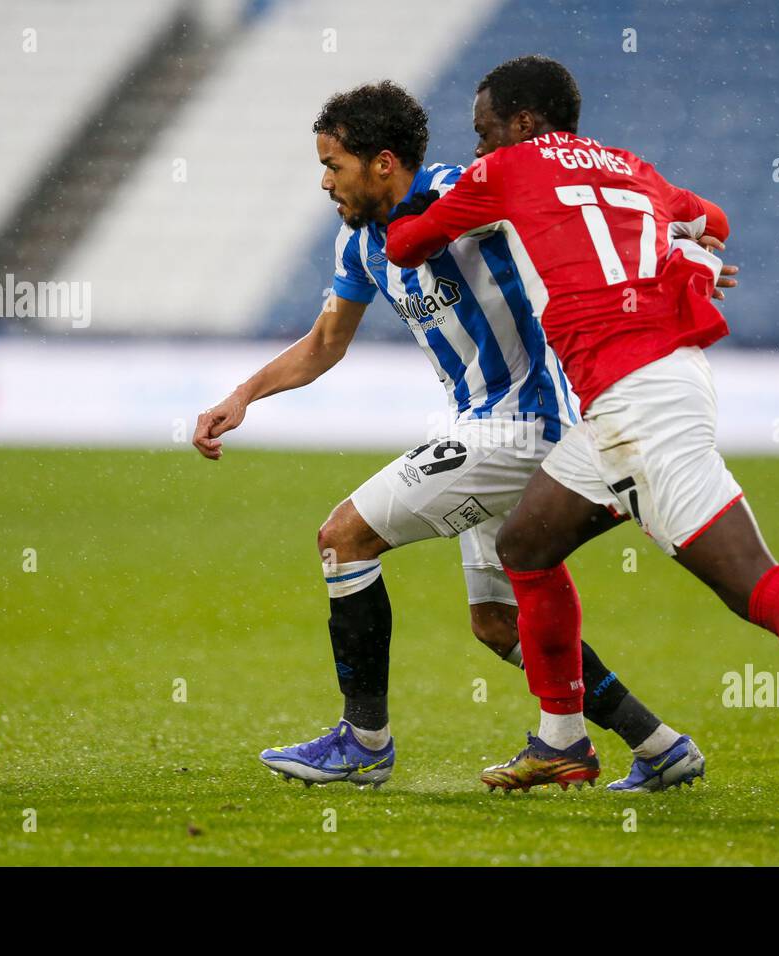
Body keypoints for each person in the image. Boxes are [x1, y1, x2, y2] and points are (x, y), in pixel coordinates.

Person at [386, 56, 779, 794]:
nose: (477, 150)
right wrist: (686, 250)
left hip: (636, 403)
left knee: (750, 583)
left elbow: (404, 244)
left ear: (521, 123)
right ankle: (562, 744)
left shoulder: (506, 170)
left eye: (484, 133)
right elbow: (715, 220)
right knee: (526, 542)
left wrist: (457, 200)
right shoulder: (632, 168)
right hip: (646, 391)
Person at [193, 81, 729, 791]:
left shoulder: (469, 192)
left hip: (523, 425)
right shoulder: (358, 243)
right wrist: (243, 396)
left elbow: (589, 212)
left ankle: (364, 742)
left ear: (384, 162)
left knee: (343, 538)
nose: (325, 181)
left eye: (335, 165)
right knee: (498, 625)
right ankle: (659, 746)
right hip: (476, 427)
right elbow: (326, 342)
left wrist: (682, 252)